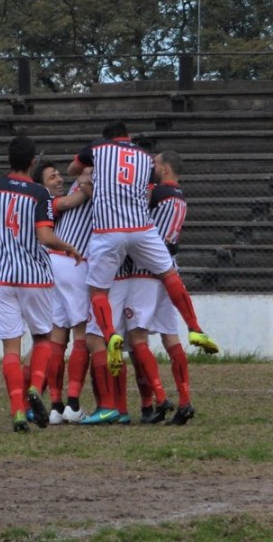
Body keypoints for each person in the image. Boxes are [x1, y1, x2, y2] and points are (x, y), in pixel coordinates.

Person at [67, 122, 218, 381]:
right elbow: (148, 196)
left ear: (107, 138)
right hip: (141, 228)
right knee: (170, 274)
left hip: (108, 230)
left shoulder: (98, 148)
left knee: (98, 291)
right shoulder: (146, 159)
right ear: (128, 137)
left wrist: (92, 176)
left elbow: (73, 170)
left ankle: (110, 333)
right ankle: (194, 328)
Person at [0, 136, 82, 432]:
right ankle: (35, 389)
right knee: (43, 338)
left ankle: (18, 412)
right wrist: (69, 247)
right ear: (32, 162)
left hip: (2, 277)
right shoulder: (38, 194)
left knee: (11, 351)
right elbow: (45, 237)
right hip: (34, 277)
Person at [119, 151, 196, 426]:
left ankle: (160, 399)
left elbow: (134, 214)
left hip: (147, 270)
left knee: (137, 337)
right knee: (170, 338)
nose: (150, 169)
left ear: (164, 169)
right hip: (170, 268)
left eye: (153, 165)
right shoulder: (180, 197)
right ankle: (185, 400)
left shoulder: (159, 193)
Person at [31, 160, 93, 424]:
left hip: (53, 265)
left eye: (59, 175)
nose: (58, 179)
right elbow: (79, 188)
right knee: (82, 334)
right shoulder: (49, 201)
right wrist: (85, 178)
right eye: (52, 177)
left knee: (58, 335)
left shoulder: (59, 198)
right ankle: (73, 404)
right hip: (72, 263)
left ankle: (56, 407)